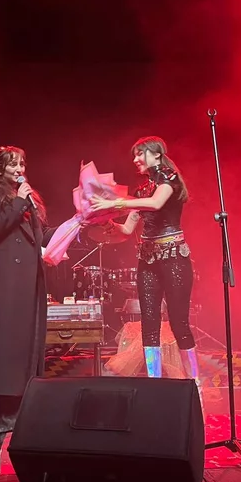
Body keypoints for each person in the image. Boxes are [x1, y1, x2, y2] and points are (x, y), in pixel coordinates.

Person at [90, 136, 199, 387]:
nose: (135, 159)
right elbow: (127, 230)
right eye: (135, 155)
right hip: (148, 261)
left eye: (140, 154)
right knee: (149, 323)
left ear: (157, 154)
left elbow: (156, 203)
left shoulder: (169, 179)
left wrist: (116, 202)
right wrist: (106, 223)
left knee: (179, 322)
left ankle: (195, 384)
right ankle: (154, 384)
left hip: (174, 259)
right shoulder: (142, 190)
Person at [0, 146, 57, 434]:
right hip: (7, 280)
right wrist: (20, 202)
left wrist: (70, 230)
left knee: (27, 342)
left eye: (22, 164)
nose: (20, 170)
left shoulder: (26, 199)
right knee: (6, 344)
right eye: (13, 165)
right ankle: (4, 414)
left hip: (29, 278)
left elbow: (40, 235)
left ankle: (25, 407)